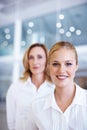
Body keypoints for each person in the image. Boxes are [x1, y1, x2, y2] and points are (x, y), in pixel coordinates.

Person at [26, 41, 87, 130]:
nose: (62, 70)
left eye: (68, 64)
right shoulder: (36, 106)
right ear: (48, 67)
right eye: (55, 64)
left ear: (76, 66)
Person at [6, 43, 54, 130]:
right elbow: (11, 122)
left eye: (39, 57)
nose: (35, 62)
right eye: (31, 57)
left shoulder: (55, 88)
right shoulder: (16, 87)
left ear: (47, 60)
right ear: (27, 61)